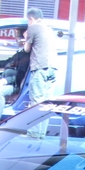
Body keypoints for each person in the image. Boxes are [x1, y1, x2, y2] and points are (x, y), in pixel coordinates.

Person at [23, 8, 56, 137]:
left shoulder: (33, 27)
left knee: (36, 102)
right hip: (52, 69)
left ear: (31, 19)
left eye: (28, 21)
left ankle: (33, 134)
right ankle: (41, 133)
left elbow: (26, 49)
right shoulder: (49, 29)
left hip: (40, 68)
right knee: (46, 104)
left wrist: (26, 37)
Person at [0, 47, 30, 126]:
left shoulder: (26, 57)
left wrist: (4, 81)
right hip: (6, 79)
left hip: (15, 85)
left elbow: (20, 77)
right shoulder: (20, 53)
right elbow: (8, 62)